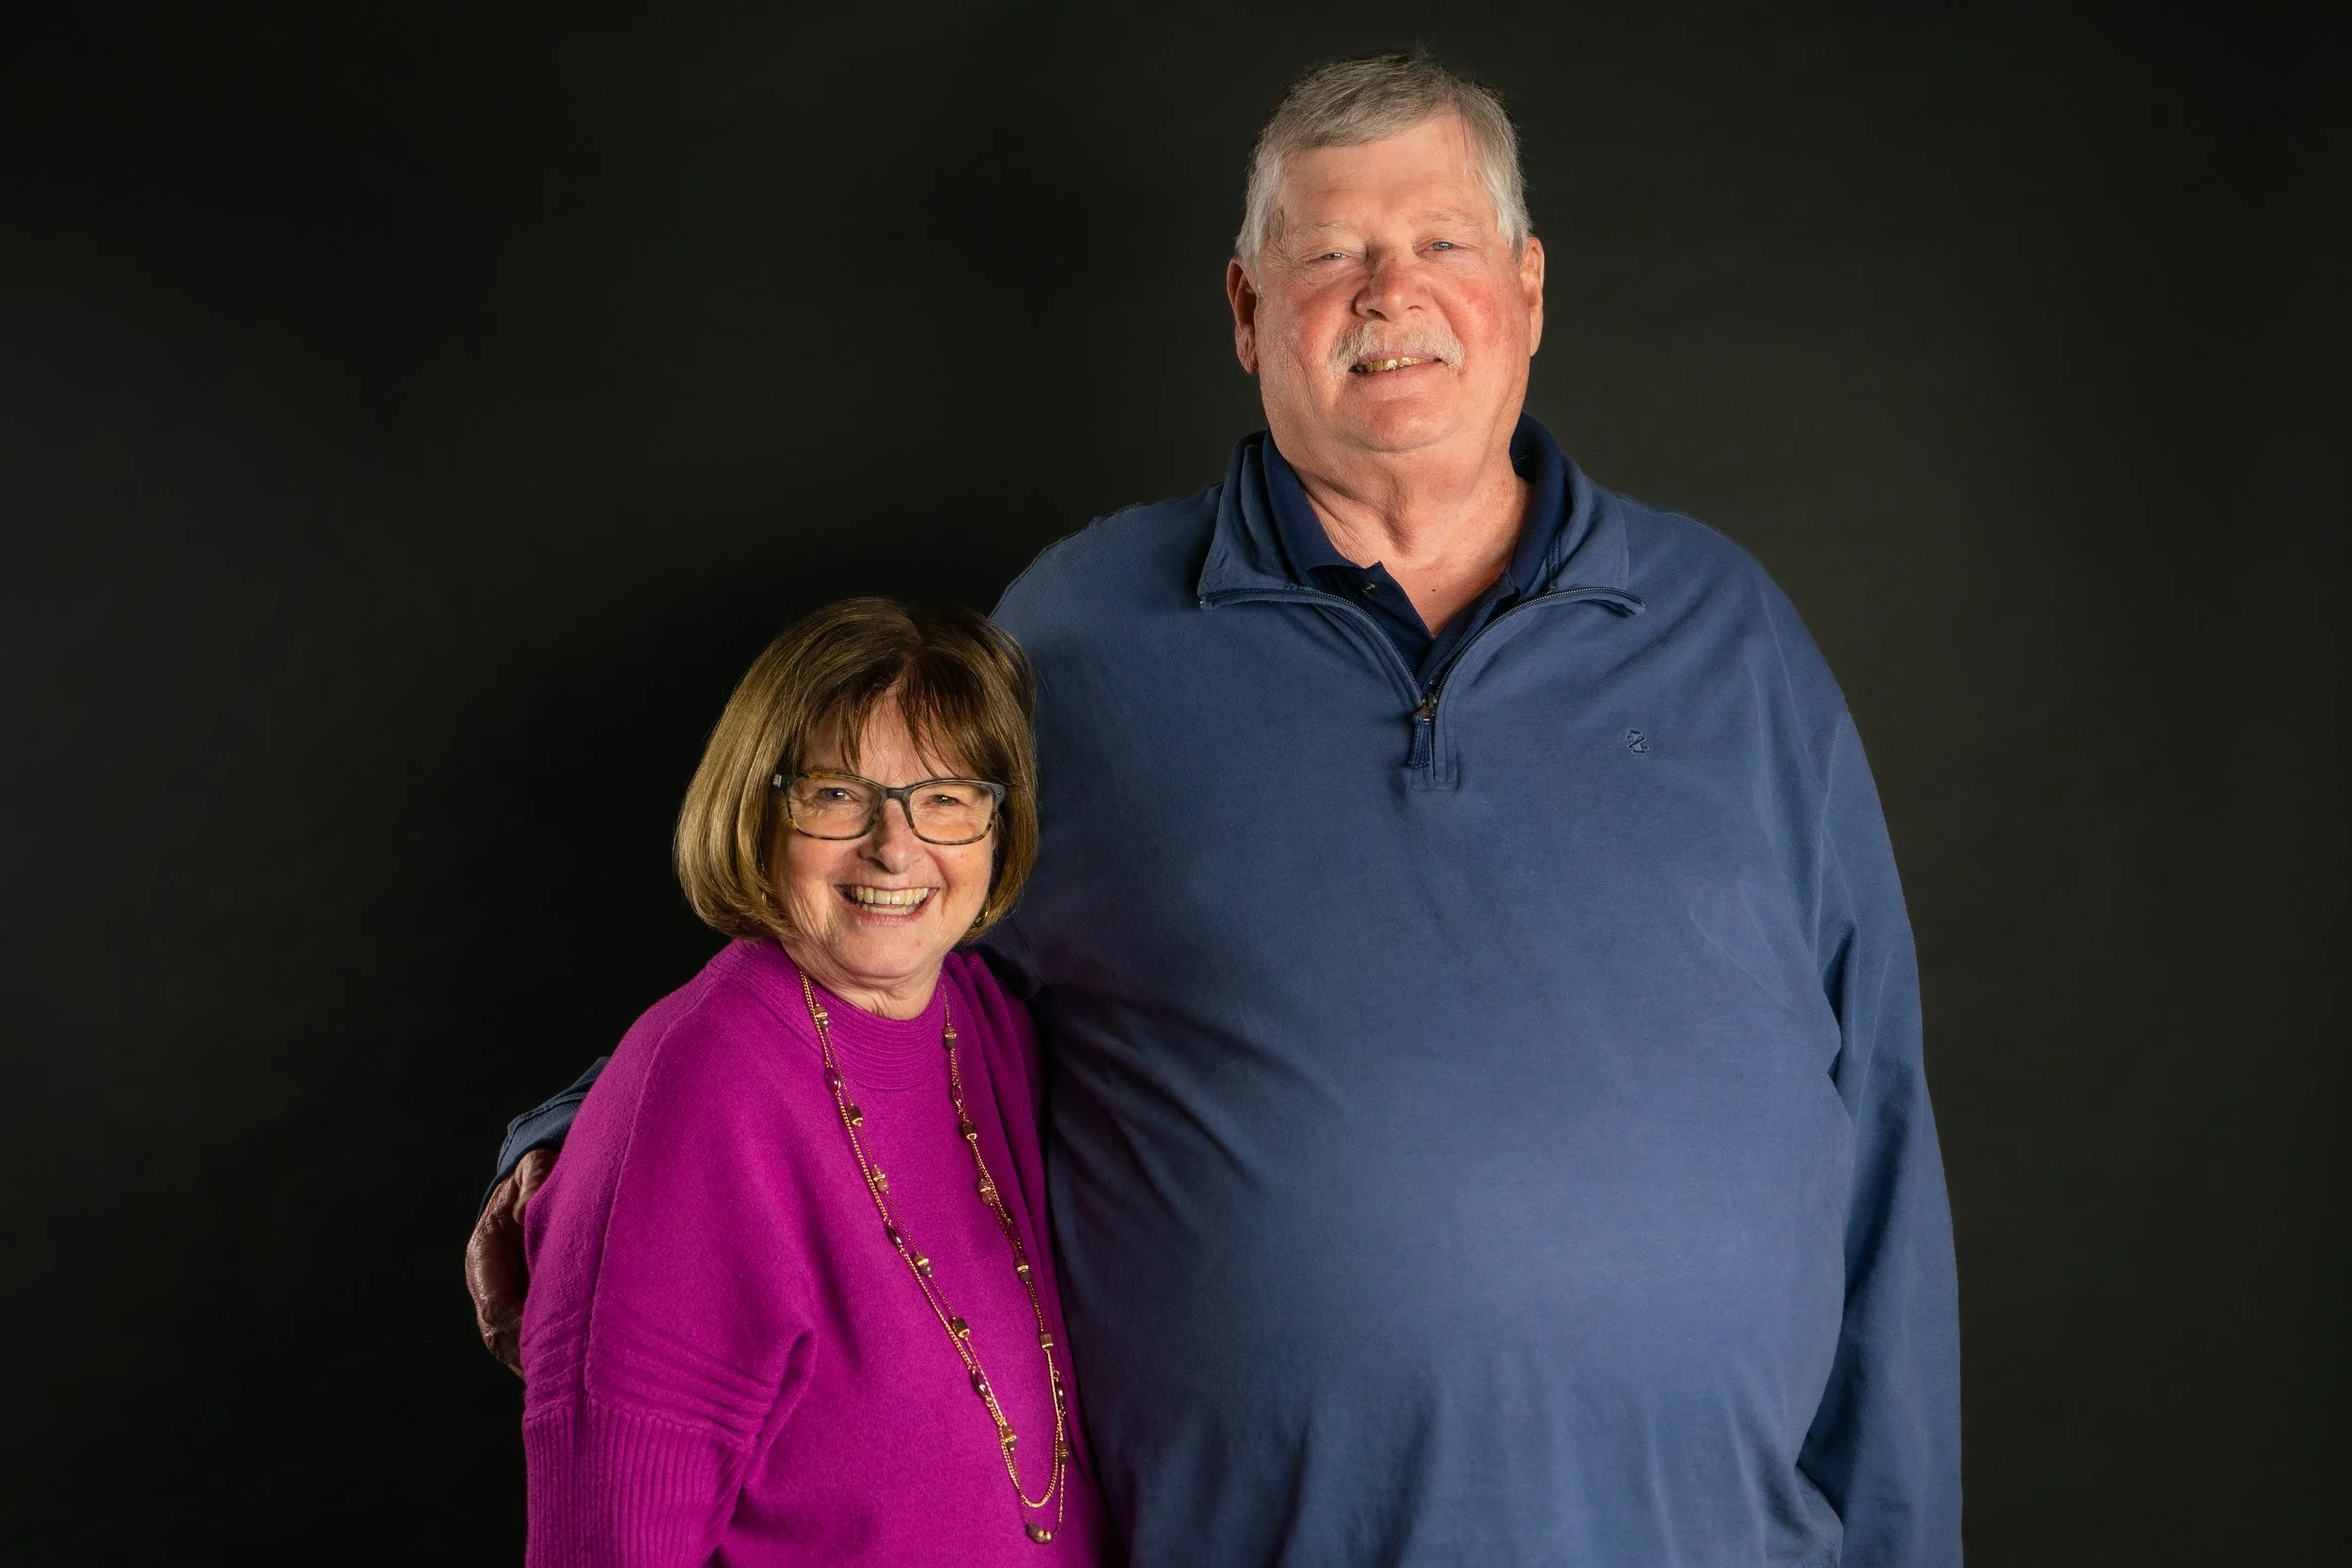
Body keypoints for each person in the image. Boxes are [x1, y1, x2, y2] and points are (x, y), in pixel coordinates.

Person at [471, 49, 1962, 1567]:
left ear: (1525, 287)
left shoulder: (1730, 634)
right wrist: (596, 1128)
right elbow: (884, 932)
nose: (1390, 294)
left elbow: (1882, 1113)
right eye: (1330, 254)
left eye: (1439, 242)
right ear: (1248, 310)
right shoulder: (1089, 634)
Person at [511, 598, 1111, 1564]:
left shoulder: (987, 1022)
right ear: (757, 806)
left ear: (998, 825)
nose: (896, 844)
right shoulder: (699, 1093)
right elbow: (609, 1542)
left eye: (948, 795)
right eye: (836, 792)